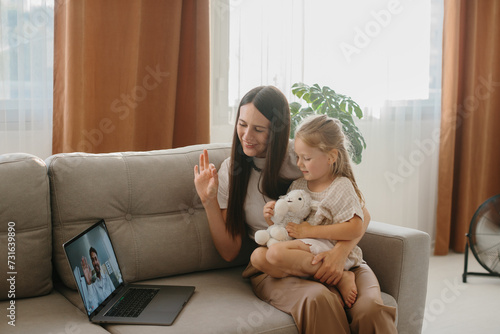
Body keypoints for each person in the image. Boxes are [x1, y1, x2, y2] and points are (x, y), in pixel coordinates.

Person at [194, 85, 396, 333]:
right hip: (280, 263)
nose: (246, 135)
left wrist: (340, 255)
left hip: (337, 255)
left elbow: (361, 214)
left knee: (371, 309)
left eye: (258, 129)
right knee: (319, 299)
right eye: (242, 124)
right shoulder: (231, 171)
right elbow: (229, 251)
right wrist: (209, 201)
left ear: (277, 131)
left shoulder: (301, 156)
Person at [251, 114, 365, 309]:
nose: (299, 164)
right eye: (298, 157)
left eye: (307, 158)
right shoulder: (298, 184)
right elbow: (289, 224)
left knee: (275, 254)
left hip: (328, 249)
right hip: (304, 247)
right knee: (257, 257)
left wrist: (309, 232)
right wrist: (271, 218)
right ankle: (318, 278)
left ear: (331, 156)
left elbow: (355, 228)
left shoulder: (341, 186)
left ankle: (341, 277)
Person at [81, 247, 114, 312]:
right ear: (92, 263)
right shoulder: (93, 287)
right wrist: (89, 283)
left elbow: (116, 295)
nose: (95, 262)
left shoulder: (107, 277)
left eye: (96, 259)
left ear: (98, 260)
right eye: (92, 260)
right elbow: (93, 308)